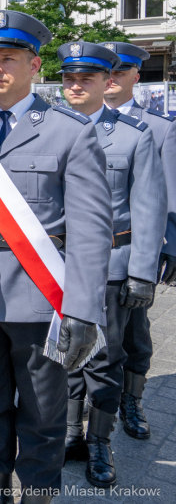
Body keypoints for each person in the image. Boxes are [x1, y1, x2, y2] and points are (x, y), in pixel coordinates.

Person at [0, 11, 112, 503]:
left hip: (39, 297)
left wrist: (83, 309)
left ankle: (39, 493)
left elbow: (90, 230)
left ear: (35, 65)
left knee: (43, 414)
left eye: (8, 59)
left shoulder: (70, 131)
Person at [58, 41, 163, 488]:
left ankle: (100, 441)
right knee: (63, 355)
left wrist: (142, 271)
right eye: (69, 79)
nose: (77, 86)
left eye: (88, 79)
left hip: (111, 267)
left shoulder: (133, 136)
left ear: (108, 82)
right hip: (59, 266)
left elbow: (149, 207)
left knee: (104, 358)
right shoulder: (48, 131)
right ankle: (69, 433)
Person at [103, 41, 176, 442]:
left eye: (122, 69)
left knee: (134, 331)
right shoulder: (74, 121)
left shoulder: (161, 127)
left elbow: (169, 195)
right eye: (107, 69)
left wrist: (168, 249)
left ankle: (131, 400)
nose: (112, 77)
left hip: (134, 251)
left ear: (136, 76)